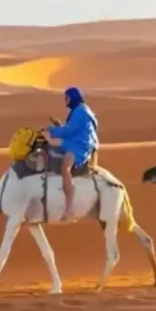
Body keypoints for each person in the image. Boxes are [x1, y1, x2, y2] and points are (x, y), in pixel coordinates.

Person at [41, 86, 99, 222]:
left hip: (79, 147)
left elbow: (69, 131)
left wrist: (51, 130)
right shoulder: (80, 110)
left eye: (67, 99)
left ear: (73, 98)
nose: (65, 102)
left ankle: (69, 208)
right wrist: (58, 126)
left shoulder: (80, 111)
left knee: (65, 168)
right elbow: (72, 130)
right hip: (76, 143)